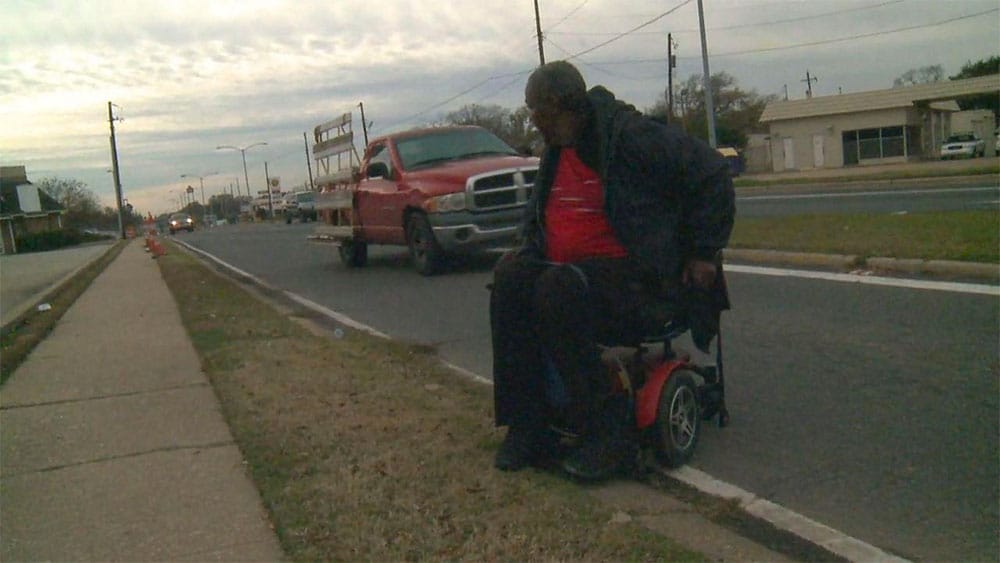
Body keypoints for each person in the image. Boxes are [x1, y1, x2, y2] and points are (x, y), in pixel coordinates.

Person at [490, 60, 735, 481]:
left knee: (558, 287)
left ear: (566, 106)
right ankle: (529, 425)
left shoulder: (631, 137)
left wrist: (704, 252)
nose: (536, 126)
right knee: (511, 278)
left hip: (642, 279)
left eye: (540, 115)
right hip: (574, 276)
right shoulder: (558, 148)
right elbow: (539, 215)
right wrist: (525, 249)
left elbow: (712, 171)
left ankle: (609, 434)